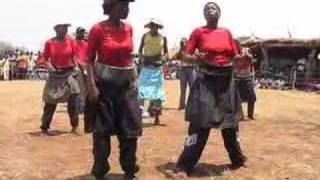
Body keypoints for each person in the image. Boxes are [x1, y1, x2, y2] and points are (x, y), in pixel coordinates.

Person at [171, 2, 247, 177]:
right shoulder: (198, 32)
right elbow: (186, 56)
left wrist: (244, 58)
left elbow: (236, 58)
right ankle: (184, 165)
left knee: (230, 122)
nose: (209, 10)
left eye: (213, 8)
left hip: (226, 79)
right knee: (199, 123)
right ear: (204, 15)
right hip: (206, 78)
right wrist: (195, 58)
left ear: (219, 13)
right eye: (206, 9)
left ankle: (237, 158)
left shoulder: (226, 32)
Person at [86, 0, 141, 179]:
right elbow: (89, 59)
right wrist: (92, 86)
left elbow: (128, 57)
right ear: (111, 8)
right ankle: (100, 169)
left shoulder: (129, 28)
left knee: (130, 131)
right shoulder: (98, 29)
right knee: (102, 132)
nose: (126, 9)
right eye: (122, 6)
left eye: (128, 6)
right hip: (105, 87)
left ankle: (130, 168)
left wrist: (135, 77)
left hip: (126, 86)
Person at [40, 22, 81, 135]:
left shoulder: (71, 41)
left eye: (66, 28)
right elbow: (45, 59)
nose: (65, 30)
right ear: (56, 29)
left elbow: (74, 56)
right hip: (55, 75)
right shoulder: (49, 43)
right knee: (50, 102)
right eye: (63, 28)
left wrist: (77, 67)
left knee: (74, 98)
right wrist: (50, 66)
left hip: (69, 73)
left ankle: (75, 125)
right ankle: (45, 126)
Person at [138, 18, 168, 125]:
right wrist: (142, 58)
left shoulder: (163, 38)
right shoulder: (145, 36)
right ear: (149, 26)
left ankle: (156, 117)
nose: (153, 28)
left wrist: (164, 58)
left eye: (155, 26)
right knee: (141, 90)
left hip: (157, 68)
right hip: (146, 66)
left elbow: (166, 53)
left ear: (158, 27)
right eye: (151, 26)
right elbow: (140, 50)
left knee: (157, 93)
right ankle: (139, 113)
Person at [172, 37, 196, 110]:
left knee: (192, 88)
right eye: (181, 43)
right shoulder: (181, 51)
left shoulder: (192, 50)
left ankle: (192, 106)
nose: (182, 44)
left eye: (183, 43)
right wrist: (180, 51)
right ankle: (182, 105)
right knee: (183, 89)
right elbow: (173, 57)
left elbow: (195, 59)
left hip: (191, 69)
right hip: (183, 70)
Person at [233, 46, 257, 120]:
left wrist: (247, 55)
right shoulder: (233, 51)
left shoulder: (247, 50)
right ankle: (240, 116)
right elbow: (234, 60)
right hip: (236, 77)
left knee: (252, 97)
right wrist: (240, 56)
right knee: (237, 98)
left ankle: (250, 115)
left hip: (247, 77)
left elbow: (251, 60)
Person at [74, 27, 88, 114]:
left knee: (85, 89)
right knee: (78, 88)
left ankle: (83, 106)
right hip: (76, 68)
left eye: (83, 32)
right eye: (81, 32)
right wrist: (81, 66)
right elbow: (74, 57)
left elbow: (88, 57)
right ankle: (78, 107)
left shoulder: (86, 44)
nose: (82, 34)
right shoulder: (73, 43)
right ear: (77, 33)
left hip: (85, 67)